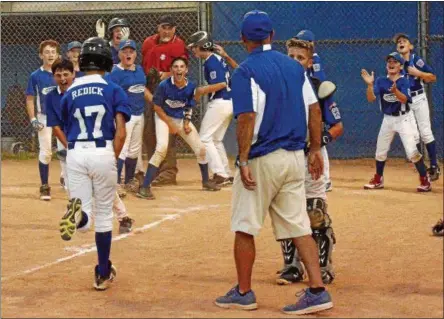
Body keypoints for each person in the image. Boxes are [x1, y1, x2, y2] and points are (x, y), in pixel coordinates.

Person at [214, 10, 333, 315]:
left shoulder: (244, 71)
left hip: (261, 159)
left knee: (244, 226)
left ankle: (244, 292)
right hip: (295, 158)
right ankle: (318, 290)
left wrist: (241, 160)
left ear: (243, 39)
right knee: (299, 225)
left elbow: (247, 117)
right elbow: (315, 111)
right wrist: (316, 149)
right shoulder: (294, 68)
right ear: (272, 36)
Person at [57, 37, 131, 290]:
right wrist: (113, 158)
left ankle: (78, 216)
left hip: (75, 152)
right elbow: (121, 131)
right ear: (105, 62)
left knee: (85, 221)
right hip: (103, 150)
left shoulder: (70, 92)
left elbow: (67, 126)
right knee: (103, 217)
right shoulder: (113, 89)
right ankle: (101, 273)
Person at [276, 38, 343, 286]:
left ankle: (323, 264)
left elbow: (337, 126)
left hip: (311, 156)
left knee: (314, 211)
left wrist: (319, 140)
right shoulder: (276, 86)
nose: (295, 61)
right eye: (291, 57)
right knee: (287, 210)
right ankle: (291, 265)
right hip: (285, 154)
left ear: (309, 62)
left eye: (300, 58)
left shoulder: (319, 88)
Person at [47, 58, 135, 234]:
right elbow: (56, 126)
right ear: (53, 77)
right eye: (58, 75)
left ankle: (119, 216)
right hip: (71, 145)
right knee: (75, 185)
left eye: (66, 74)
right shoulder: (52, 97)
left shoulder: (79, 91)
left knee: (98, 185)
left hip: (81, 147)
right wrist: (68, 146)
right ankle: (82, 215)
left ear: (74, 74)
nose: (63, 78)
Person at [137, 57, 223, 199]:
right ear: (171, 70)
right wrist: (170, 124)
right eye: (175, 67)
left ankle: (206, 181)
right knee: (161, 149)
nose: (178, 69)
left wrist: (186, 123)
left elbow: (189, 106)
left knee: (200, 148)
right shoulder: (164, 85)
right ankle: (145, 187)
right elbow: (157, 107)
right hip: (163, 118)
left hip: (180, 118)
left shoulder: (190, 86)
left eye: (181, 67)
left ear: (186, 70)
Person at [361, 52, 431, 192]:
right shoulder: (381, 80)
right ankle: (378, 178)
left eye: (395, 62)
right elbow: (371, 98)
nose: (391, 64)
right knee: (380, 151)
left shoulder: (404, 81)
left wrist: (395, 91)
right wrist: (370, 85)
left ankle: (424, 179)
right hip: (388, 119)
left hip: (403, 119)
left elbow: (405, 99)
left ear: (400, 66)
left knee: (412, 152)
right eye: (389, 62)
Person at [141, 15, 188, 186]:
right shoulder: (148, 43)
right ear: (158, 27)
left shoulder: (178, 45)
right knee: (149, 131)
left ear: (174, 29)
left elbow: (182, 70)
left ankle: (169, 172)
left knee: (166, 130)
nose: (167, 31)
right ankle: (156, 168)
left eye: (170, 27)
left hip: (169, 91)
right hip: (150, 89)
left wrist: (164, 75)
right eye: (163, 27)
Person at [187, 31, 234, 186]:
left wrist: (201, 91)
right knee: (216, 139)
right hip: (228, 102)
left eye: (195, 47)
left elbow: (221, 84)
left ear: (202, 46)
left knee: (205, 138)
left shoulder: (211, 61)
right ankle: (225, 173)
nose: (193, 50)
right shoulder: (216, 59)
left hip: (220, 102)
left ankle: (220, 174)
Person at [393, 33, 440, 181]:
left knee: (425, 132)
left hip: (419, 98)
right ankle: (421, 168)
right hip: (406, 101)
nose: (401, 43)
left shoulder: (415, 60)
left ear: (410, 46)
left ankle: (434, 165)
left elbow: (433, 77)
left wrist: (418, 73)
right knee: (413, 135)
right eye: (398, 42)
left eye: (404, 41)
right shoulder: (396, 63)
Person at [109, 39, 153, 194]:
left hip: (139, 114)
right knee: (122, 148)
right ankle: (115, 183)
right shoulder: (115, 73)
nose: (128, 54)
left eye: (131, 51)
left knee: (134, 150)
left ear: (135, 54)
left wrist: (154, 101)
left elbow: (142, 89)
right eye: (124, 51)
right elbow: (111, 95)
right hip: (125, 116)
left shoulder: (139, 69)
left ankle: (128, 181)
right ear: (119, 54)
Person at [294, 30, 333, 193]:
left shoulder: (314, 59)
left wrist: (318, 100)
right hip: (306, 98)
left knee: (318, 143)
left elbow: (320, 82)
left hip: (314, 100)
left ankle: (326, 178)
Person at [25, 39, 60, 200]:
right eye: (47, 52)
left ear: (57, 54)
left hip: (61, 117)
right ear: (41, 55)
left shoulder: (62, 73)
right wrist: (33, 118)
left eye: (53, 52)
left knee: (66, 151)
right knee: (46, 152)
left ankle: (66, 179)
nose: (50, 55)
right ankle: (44, 186)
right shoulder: (36, 75)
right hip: (44, 117)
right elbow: (30, 98)